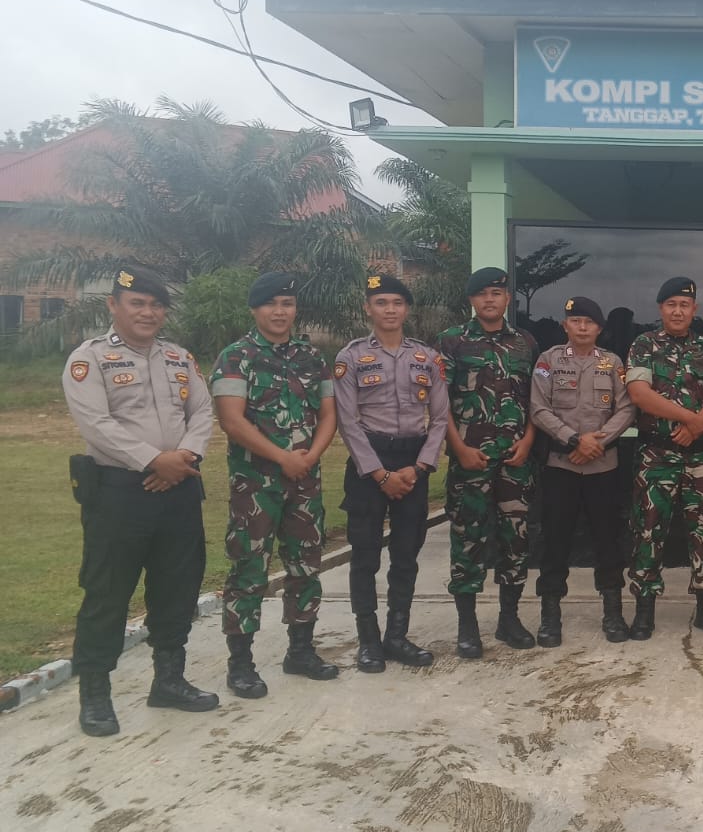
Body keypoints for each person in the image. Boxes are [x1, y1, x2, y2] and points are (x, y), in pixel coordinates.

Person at [62, 266, 218, 736]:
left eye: (156, 305)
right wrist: (155, 461)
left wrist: (185, 457)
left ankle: (168, 681)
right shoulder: (89, 360)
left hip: (179, 489)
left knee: (178, 587)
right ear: (114, 305)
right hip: (119, 496)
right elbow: (97, 425)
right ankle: (95, 696)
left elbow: (203, 410)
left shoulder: (178, 357)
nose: (148, 312)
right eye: (137, 303)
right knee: (108, 593)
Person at [209, 271, 340, 699]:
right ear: (254, 309)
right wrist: (284, 457)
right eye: (270, 304)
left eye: (286, 303)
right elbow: (231, 420)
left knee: (306, 564)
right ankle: (241, 663)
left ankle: (300, 651)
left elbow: (328, 413)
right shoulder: (236, 357)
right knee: (249, 569)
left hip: (305, 479)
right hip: (256, 484)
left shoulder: (311, 357)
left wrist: (311, 456)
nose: (279, 311)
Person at [333, 273, 448, 672]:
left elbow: (441, 417)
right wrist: (380, 474)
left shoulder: (427, 357)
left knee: (406, 554)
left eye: (397, 303)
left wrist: (419, 467)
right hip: (370, 464)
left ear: (406, 309)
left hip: (414, 462)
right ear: (368, 308)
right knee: (364, 555)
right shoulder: (349, 358)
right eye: (381, 303)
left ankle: (397, 636)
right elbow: (347, 423)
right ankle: (368, 640)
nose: (390, 310)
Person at [438, 267, 539, 660]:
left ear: (507, 299)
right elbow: (438, 403)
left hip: (516, 461)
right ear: (472, 301)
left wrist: (529, 440)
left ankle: (509, 619)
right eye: (482, 294)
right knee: (467, 540)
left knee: (516, 540)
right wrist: (458, 447)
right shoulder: (452, 341)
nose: (490, 300)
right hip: (471, 460)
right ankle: (468, 627)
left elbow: (537, 401)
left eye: (497, 293)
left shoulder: (525, 342)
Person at [529, 295, 636, 643]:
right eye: (576, 321)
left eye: (590, 322)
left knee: (608, 541)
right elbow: (538, 409)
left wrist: (597, 442)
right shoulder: (548, 361)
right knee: (555, 541)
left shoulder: (613, 363)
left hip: (603, 466)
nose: (583, 327)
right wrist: (575, 440)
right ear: (566, 325)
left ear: (599, 329)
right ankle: (550, 616)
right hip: (561, 464)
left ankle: (613, 613)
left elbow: (626, 409)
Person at [625, 277, 703, 639]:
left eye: (685, 305)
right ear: (661, 309)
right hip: (657, 453)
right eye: (671, 305)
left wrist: (698, 428)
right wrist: (690, 419)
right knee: (649, 530)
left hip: (699, 455)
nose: (678, 311)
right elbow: (640, 395)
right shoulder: (643, 345)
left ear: (694, 310)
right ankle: (644, 611)